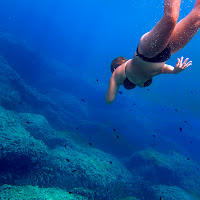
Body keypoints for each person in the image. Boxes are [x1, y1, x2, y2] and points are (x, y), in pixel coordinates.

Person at [105, 0, 200, 104]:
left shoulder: (117, 74)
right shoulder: (138, 79)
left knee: (170, 19)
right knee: (197, 18)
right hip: (166, 53)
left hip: (146, 52)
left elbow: (109, 100)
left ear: (115, 68)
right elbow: (161, 69)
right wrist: (174, 71)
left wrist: (113, 79)